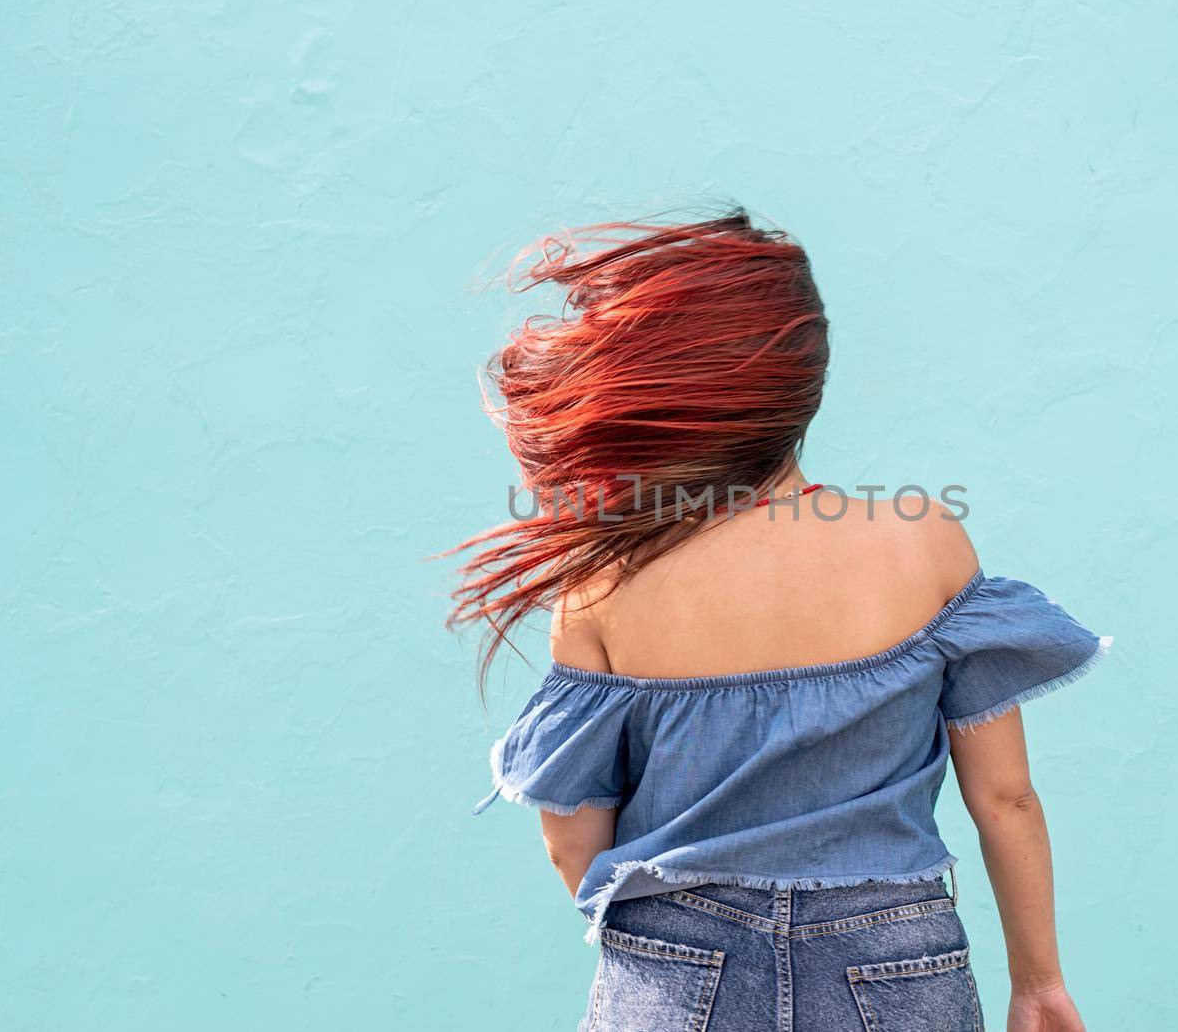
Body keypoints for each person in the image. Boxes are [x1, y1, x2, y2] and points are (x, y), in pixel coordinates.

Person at [447, 208, 1112, 1031]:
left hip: (676, 962)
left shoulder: (603, 582)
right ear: (801, 390)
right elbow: (1006, 798)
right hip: (895, 959)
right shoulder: (924, 542)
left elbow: (570, 842)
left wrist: (660, 942)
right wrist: (1039, 984)